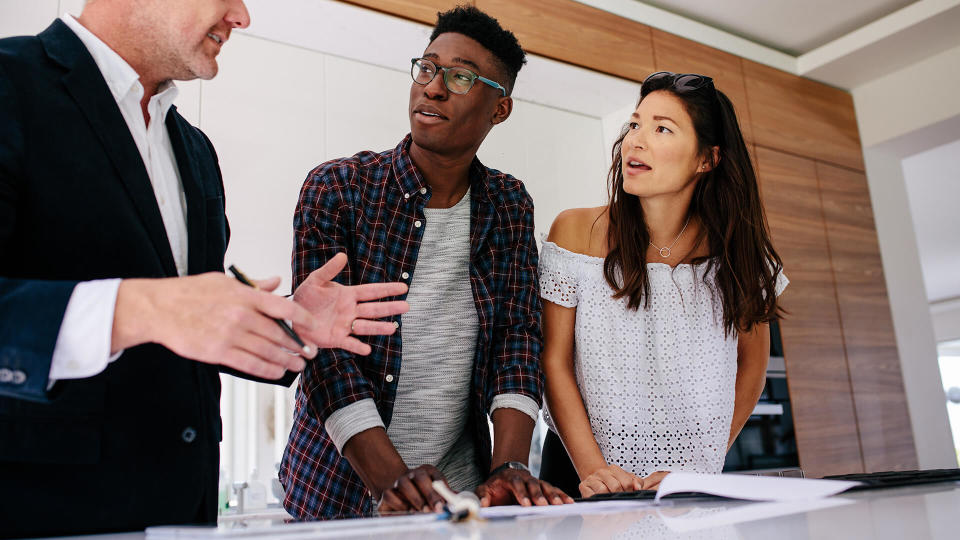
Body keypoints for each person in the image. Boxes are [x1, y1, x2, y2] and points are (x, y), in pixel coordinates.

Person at [0, 0, 407, 536]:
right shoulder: (10, 83)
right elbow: (164, 313)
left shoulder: (195, 151)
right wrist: (143, 307)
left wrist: (284, 319)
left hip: (188, 517)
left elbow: (193, 329)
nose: (241, 17)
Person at [281, 6, 573, 519]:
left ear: (500, 108)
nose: (433, 88)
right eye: (427, 68)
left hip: (462, 499)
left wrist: (510, 465)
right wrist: (392, 480)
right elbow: (326, 354)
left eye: (460, 76)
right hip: (337, 495)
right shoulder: (338, 189)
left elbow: (517, 337)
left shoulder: (508, 204)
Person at [538, 71, 788, 498]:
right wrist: (595, 471)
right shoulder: (575, 232)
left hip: (684, 486)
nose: (636, 140)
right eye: (635, 124)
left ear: (706, 159)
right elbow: (553, 361)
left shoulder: (737, 254)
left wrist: (702, 465)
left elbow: (752, 366)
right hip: (578, 472)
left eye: (662, 129)